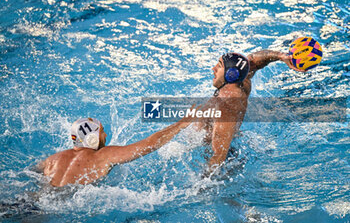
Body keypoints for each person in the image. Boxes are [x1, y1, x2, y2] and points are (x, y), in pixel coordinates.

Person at [194, 50, 299, 175]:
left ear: (230, 74)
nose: (213, 69)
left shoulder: (228, 104)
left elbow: (218, 155)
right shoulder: (241, 80)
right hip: (231, 143)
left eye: (219, 66)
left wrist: (201, 186)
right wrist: (281, 56)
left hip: (219, 156)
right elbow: (253, 60)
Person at [38, 116, 193, 187]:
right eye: (102, 132)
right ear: (92, 138)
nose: (105, 136)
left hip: (35, 201)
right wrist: (181, 124)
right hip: (67, 203)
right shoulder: (103, 155)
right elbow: (150, 144)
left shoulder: (51, 159)